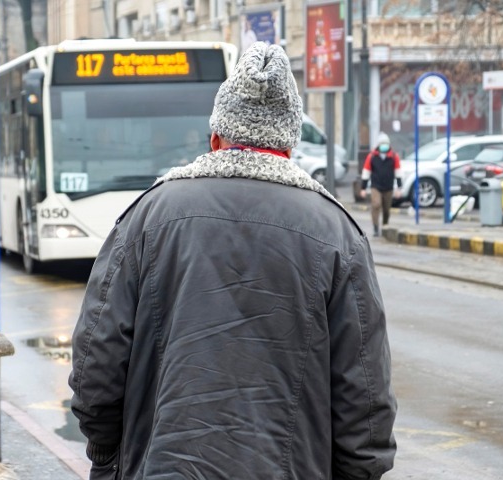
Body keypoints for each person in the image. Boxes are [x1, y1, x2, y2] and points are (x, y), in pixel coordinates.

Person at [69, 42, 397, 480]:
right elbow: (366, 399)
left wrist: (109, 451)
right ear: (290, 146)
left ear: (215, 138)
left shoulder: (147, 216)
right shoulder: (338, 233)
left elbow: (97, 360)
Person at [360, 132, 403, 237]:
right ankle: (375, 227)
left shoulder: (394, 156)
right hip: (376, 186)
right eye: (382, 144)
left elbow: (398, 172)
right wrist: (363, 188)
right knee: (376, 205)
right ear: (378, 145)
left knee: (386, 209)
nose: (384, 146)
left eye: (386, 144)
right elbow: (366, 172)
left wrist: (399, 188)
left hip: (388, 187)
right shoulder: (372, 156)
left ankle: (385, 226)